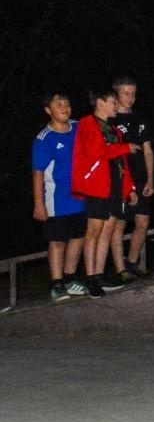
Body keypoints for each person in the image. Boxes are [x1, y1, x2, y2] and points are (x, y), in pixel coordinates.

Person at [72, 87, 137, 297]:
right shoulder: (86, 124)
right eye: (113, 102)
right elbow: (96, 152)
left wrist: (130, 188)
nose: (116, 106)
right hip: (96, 186)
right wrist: (125, 147)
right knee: (94, 230)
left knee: (108, 230)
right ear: (100, 102)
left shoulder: (114, 130)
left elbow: (121, 163)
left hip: (115, 186)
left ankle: (99, 275)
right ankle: (90, 277)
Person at [32, 91, 88, 302]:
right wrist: (38, 203)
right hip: (55, 200)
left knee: (78, 237)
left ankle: (69, 278)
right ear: (48, 110)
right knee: (57, 241)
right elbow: (37, 172)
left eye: (67, 103)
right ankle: (56, 284)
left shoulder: (79, 127)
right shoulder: (44, 139)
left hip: (80, 196)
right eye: (59, 105)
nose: (65, 108)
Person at [108, 75, 154, 279]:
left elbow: (148, 150)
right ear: (116, 95)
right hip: (119, 179)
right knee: (119, 223)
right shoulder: (109, 121)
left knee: (143, 222)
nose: (131, 97)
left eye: (133, 93)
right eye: (126, 93)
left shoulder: (141, 119)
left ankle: (133, 261)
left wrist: (150, 179)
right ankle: (120, 268)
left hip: (140, 177)